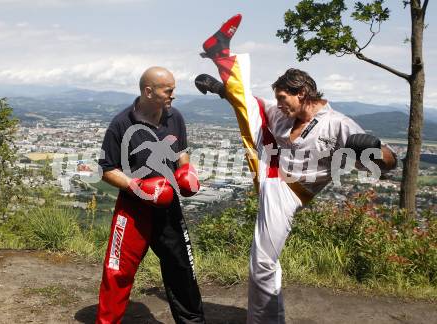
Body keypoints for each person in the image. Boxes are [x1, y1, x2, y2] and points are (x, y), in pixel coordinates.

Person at [195, 14, 397, 324]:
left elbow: (387, 164)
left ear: (301, 93)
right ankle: (220, 53)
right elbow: (256, 106)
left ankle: (263, 321)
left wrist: (375, 147)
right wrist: (222, 91)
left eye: (283, 97)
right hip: (269, 167)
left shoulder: (338, 124)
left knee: (262, 262)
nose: (279, 104)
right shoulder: (281, 114)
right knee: (251, 106)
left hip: (288, 190)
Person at [96, 66, 205, 324]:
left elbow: (181, 151)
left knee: (182, 269)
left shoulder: (174, 116)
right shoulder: (122, 124)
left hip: (168, 207)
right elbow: (106, 169)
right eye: (169, 90)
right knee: (117, 271)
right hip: (133, 210)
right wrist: (138, 186)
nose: (173, 95)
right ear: (149, 91)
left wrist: (186, 170)